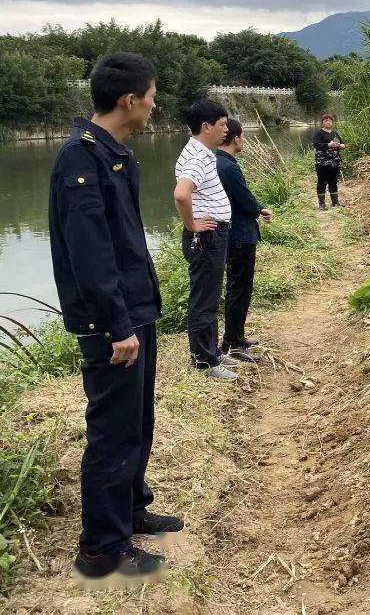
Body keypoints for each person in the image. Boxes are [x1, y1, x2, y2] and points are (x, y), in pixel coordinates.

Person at [49, 53, 181, 586]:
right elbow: (92, 257)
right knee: (113, 429)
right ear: (130, 99)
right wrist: (116, 327)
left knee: (138, 420)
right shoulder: (80, 160)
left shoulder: (116, 155)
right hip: (112, 323)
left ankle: (130, 509)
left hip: (134, 311)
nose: (155, 103)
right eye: (152, 94)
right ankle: (102, 547)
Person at [173, 99, 237, 381]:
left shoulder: (201, 152)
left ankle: (211, 352)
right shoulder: (198, 158)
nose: (226, 130)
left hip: (212, 235)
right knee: (204, 299)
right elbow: (181, 194)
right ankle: (203, 361)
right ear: (206, 126)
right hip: (207, 237)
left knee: (209, 295)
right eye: (222, 125)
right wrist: (192, 224)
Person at [216, 119, 273, 361]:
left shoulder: (219, 161)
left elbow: (243, 198)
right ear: (236, 137)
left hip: (233, 234)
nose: (244, 141)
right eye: (242, 136)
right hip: (239, 236)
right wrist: (258, 209)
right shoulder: (228, 167)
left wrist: (258, 207)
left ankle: (235, 336)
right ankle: (234, 342)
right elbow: (244, 199)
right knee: (240, 289)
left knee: (237, 288)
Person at [313, 113, 345, 210]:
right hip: (322, 163)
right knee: (322, 182)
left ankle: (335, 202)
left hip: (335, 162)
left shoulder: (335, 133)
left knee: (333, 182)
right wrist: (328, 145)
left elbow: (342, 144)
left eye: (330, 120)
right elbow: (316, 145)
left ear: (332, 122)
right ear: (322, 123)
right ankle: (322, 204)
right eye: (326, 120)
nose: (328, 121)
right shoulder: (319, 133)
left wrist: (341, 145)